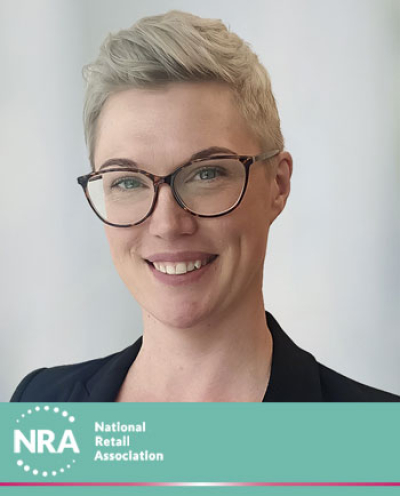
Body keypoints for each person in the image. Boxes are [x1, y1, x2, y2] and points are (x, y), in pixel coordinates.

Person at [11, 10, 399, 402]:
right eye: (127, 181)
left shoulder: (378, 432)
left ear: (277, 185)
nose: (167, 224)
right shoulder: (41, 404)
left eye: (206, 174)